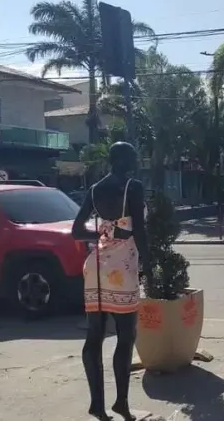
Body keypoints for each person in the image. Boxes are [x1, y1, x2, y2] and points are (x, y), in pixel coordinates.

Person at [72, 142, 149, 421]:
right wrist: (150, 265)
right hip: (122, 268)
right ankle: (121, 403)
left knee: (94, 336)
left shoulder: (94, 190)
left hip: (95, 267)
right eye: (132, 156)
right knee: (125, 336)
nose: (135, 159)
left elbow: (76, 231)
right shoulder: (133, 187)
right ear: (122, 160)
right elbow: (138, 232)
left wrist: (104, 231)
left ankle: (97, 404)